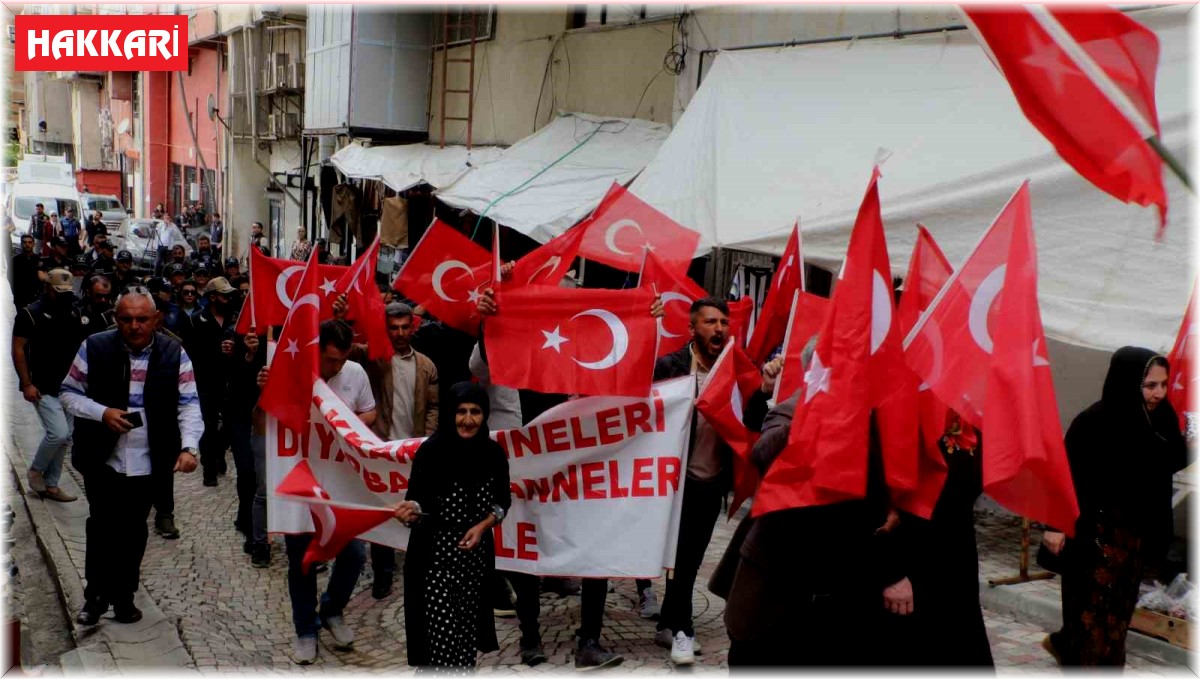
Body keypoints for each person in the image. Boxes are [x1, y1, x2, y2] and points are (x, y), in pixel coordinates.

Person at [722, 364, 905, 667]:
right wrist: (816, 417)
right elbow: (764, 452)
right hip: (773, 593)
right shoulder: (791, 410)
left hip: (836, 595)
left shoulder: (872, 421)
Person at [60, 287, 202, 625]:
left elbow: (189, 403)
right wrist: (101, 412)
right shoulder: (93, 347)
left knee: (134, 530)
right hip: (102, 455)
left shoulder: (174, 353)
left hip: (149, 460)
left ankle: (124, 597)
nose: (134, 326)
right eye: (126, 319)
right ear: (116, 319)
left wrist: (189, 446)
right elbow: (67, 392)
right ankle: (95, 597)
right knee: (102, 528)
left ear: (156, 319)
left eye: (141, 319)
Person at [1041, 347, 1189, 667]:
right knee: (1092, 619)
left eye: (1163, 385)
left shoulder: (1160, 419)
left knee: (1117, 619)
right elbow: (1065, 477)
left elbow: (1172, 460)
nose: (1159, 393)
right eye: (1150, 385)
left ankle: (1076, 651)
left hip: (1131, 541)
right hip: (1093, 536)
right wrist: (1054, 525)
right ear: (1128, 382)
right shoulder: (1094, 422)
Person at [651, 297, 773, 664]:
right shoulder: (669, 367)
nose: (719, 328)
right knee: (678, 558)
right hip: (672, 481)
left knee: (688, 558)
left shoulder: (736, 368)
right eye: (709, 322)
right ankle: (682, 630)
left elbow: (751, 423)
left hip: (710, 481)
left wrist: (764, 389)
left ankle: (670, 625)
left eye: (723, 321)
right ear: (692, 329)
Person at [257, 319, 376, 664]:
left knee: (353, 553)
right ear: (315, 351)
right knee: (302, 560)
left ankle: (332, 609)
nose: (336, 367)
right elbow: (263, 427)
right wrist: (266, 394)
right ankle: (305, 630)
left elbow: (370, 412)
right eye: (330, 360)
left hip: (340, 481)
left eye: (342, 360)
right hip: (300, 481)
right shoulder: (289, 372)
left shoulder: (355, 373)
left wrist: (347, 424)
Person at [395, 381, 511, 669]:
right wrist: (412, 510)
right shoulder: (431, 453)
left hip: (474, 567)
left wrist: (483, 526)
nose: (468, 420)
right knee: (440, 643)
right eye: (461, 411)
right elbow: (418, 500)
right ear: (450, 413)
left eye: (475, 412)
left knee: (465, 644)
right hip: (434, 564)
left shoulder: (493, 454)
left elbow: (501, 503)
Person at [335, 299, 439, 600]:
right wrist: (342, 320)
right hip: (381, 449)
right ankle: (383, 574)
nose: (400, 333)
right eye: (393, 328)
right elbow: (347, 351)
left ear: (413, 327)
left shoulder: (426, 365)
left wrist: (426, 441)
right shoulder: (374, 357)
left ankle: (417, 567)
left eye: (405, 327)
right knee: (384, 511)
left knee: (416, 508)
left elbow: (433, 406)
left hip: (414, 449)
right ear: (386, 329)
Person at [887, 410, 992, 667]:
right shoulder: (901, 412)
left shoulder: (968, 423)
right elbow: (876, 507)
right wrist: (891, 573)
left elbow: (971, 483)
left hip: (956, 559)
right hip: (910, 566)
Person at [12, 269, 83, 503]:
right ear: (48, 289)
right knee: (57, 433)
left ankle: (52, 485)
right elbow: (18, 349)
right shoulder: (29, 314)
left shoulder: (72, 310)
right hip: (42, 386)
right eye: (58, 292)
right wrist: (26, 383)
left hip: (68, 386)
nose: (62, 296)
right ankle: (35, 472)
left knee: (66, 437)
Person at [192, 276, 240, 487]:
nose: (229, 298)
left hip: (231, 382)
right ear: (213, 297)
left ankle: (219, 452)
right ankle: (208, 468)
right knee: (208, 426)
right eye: (224, 295)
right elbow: (190, 352)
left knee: (229, 426)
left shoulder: (236, 319)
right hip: (205, 382)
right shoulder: (196, 320)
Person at [11, 234, 43, 308]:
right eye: (24, 242)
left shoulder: (39, 260)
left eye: (29, 242)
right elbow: (11, 279)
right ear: (21, 244)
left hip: (35, 296)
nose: (27, 244)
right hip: (19, 296)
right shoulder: (15, 260)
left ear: (33, 244)